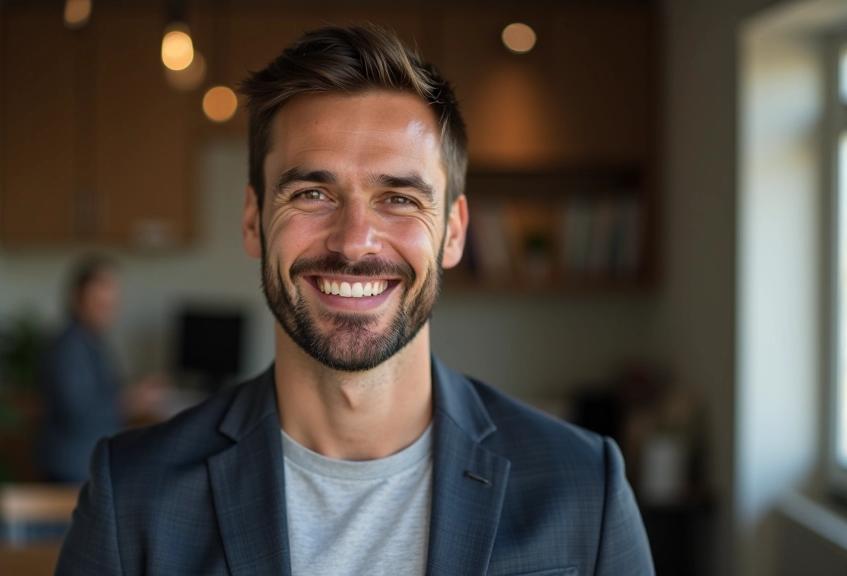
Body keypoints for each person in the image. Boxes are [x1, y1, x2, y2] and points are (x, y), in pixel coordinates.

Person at [55, 25, 654, 575]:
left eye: (399, 198)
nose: (353, 242)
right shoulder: (132, 494)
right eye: (313, 192)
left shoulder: (583, 487)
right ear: (252, 220)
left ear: (452, 231)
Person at [38, 255, 164, 483]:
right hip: (72, 468)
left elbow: (102, 391)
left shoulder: (93, 341)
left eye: (112, 303)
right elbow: (78, 413)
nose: (107, 310)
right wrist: (131, 400)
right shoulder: (70, 347)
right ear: (78, 298)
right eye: (99, 302)